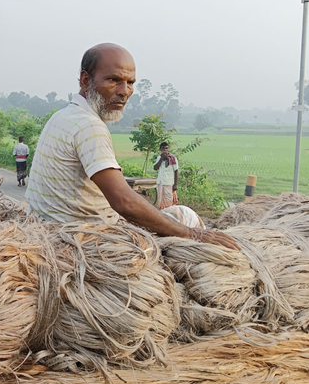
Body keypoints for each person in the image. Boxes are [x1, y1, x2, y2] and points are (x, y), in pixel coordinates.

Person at [25, 43, 239, 250]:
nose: (124, 91)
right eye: (113, 80)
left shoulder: (62, 116)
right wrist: (194, 234)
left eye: (130, 82)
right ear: (85, 80)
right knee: (186, 217)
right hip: (84, 238)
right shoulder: (89, 126)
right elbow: (124, 202)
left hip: (51, 227)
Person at [154, 142, 179, 209]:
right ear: (160, 149)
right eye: (163, 148)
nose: (165, 150)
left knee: (169, 202)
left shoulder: (173, 158)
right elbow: (155, 168)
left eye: (166, 148)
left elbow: (176, 170)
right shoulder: (159, 157)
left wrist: (175, 184)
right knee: (160, 202)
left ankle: (169, 215)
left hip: (169, 183)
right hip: (161, 182)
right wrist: (161, 158)